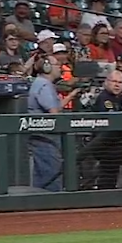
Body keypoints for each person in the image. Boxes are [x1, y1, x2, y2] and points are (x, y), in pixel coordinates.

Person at [27, 55, 80, 192]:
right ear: (47, 67)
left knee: (48, 171)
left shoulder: (43, 83)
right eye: (56, 65)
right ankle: (49, 203)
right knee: (50, 172)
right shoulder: (43, 84)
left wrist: (72, 94)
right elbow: (54, 112)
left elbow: (55, 106)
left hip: (44, 136)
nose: (59, 68)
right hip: (44, 136)